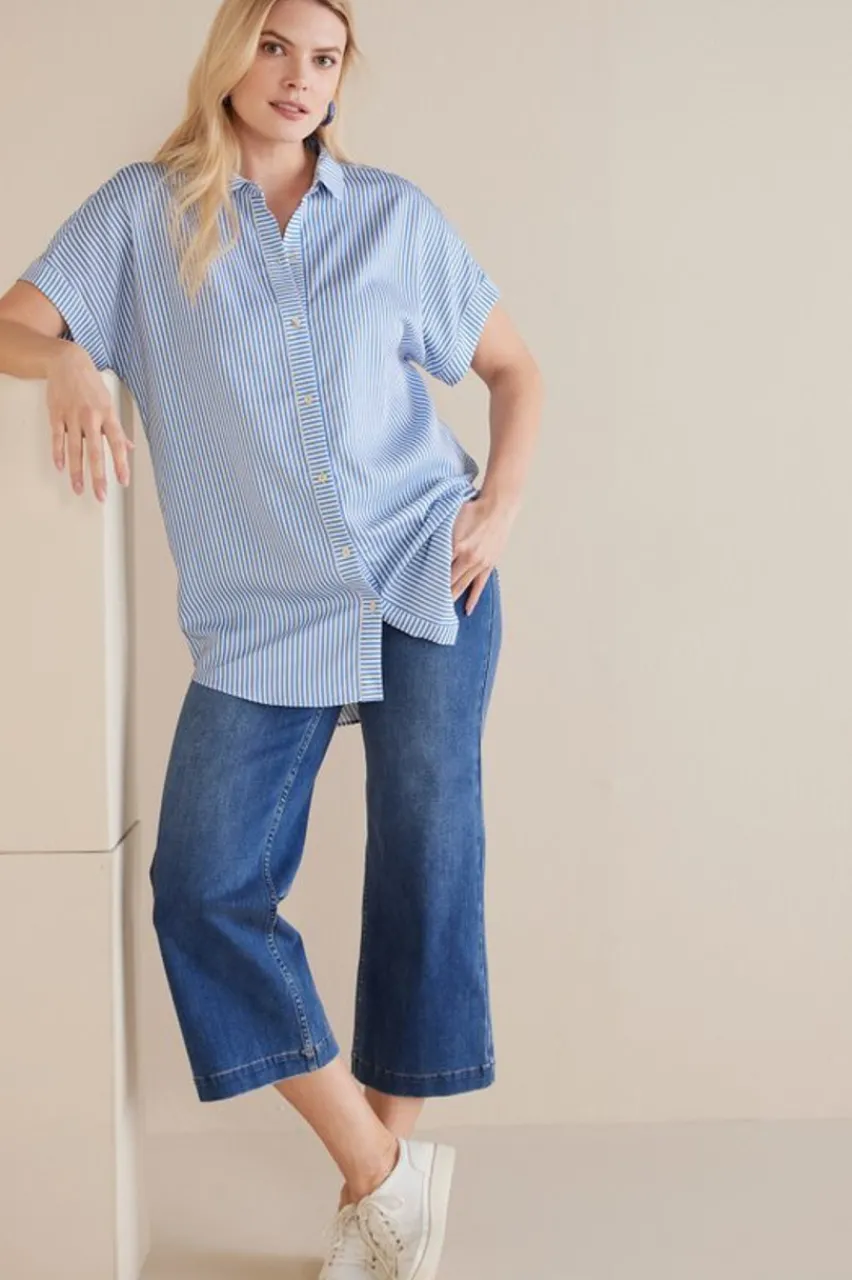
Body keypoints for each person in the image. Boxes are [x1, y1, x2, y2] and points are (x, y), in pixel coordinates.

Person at [0, 0, 543, 1274]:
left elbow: (516, 369)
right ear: (229, 54)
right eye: (275, 46)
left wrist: (501, 503)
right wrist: (67, 360)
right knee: (202, 886)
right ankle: (383, 1171)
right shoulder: (143, 214)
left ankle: (379, 1221)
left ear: (344, 76)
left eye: (325, 57)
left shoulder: (394, 217)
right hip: (261, 614)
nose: (299, 77)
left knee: (425, 862)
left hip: (427, 574)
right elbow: (9, 322)